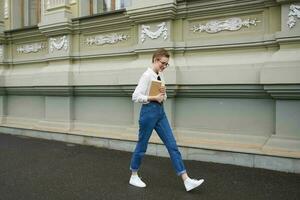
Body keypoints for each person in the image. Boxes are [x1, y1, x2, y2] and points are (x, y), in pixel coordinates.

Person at [129, 48, 204, 192]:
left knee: (172, 145)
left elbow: (163, 96)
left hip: (160, 113)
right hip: (148, 114)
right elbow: (135, 96)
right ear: (156, 60)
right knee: (142, 146)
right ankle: (133, 175)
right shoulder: (146, 75)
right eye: (163, 63)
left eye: (166, 64)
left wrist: (163, 95)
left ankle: (186, 180)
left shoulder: (161, 75)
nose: (164, 66)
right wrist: (153, 98)